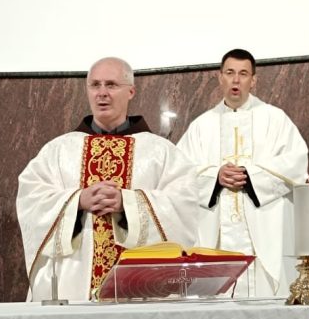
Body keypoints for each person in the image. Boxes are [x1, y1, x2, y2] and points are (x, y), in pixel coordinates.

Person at [177, 48, 309, 319]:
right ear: (219, 77)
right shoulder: (201, 126)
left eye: (243, 74)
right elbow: (179, 174)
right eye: (229, 73)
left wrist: (251, 174)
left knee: (272, 308)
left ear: (254, 79)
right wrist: (214, 176)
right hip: (216, 236)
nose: (236, 80)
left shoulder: (276, 119)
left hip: (262, 234)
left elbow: (296, 164)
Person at [17, 57, 198, 302]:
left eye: (111, 85)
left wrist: (128, 204)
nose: (102, 93)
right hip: (73, 280)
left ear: (131, 91)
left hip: (140, 286)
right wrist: (77, 200)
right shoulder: (58, 150)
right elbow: (31, 199)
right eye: (95, 85)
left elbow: (184, 204)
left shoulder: (160, 151)